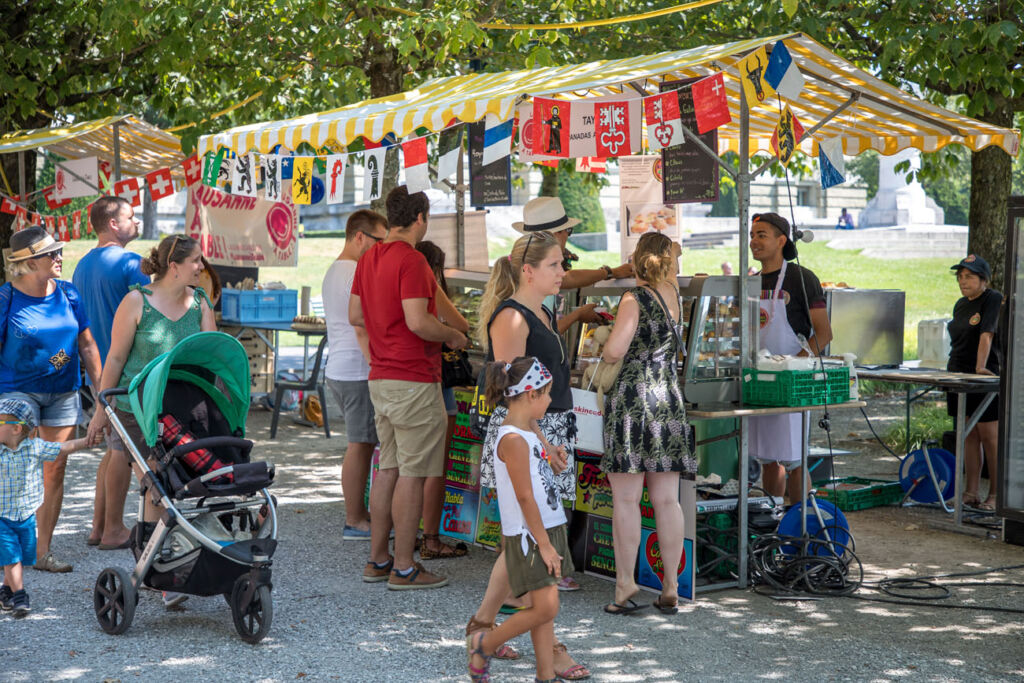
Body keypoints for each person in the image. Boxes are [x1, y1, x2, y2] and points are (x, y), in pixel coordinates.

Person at [468, 229, 590, 680]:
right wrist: (541, 442)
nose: (564, 272)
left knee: (525, 538)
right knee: (531, 538)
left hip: (549, 432)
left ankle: (484, 624)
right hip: (530, 437)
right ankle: (548, 644)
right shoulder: (513, 318)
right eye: (557, 264)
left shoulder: (541, 309)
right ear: (529, 270)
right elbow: (514, 397)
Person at [86, 234, 217, 608]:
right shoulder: (136, 302)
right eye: (195, 261)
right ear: (174, 266)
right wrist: (101, 410)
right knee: (158, 481)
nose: (201, 267)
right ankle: (164, 567)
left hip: (181, 406)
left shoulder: (201, 303)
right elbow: (114, 360)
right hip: (135, 406)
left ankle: (161, 558)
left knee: (170, 483)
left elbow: (213, 358)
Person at [349, 186, 467, 590]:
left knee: (388, 469)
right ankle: (404, 566)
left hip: (381, 376)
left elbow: (355, 314)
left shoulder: (368, 258)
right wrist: (452, 335)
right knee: (414, 475)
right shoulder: (413, 260)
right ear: (420, 218)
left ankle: (377, 558)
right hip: (413, 377)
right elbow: (418, 321)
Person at [600, 232, 695, 615]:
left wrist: (604, 344)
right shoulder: (675, 298)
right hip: (667, 399)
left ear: (637, 258)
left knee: (626, 498)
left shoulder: (633, 299)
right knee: (667, 499)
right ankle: (670, 585)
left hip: (633, 398)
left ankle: (625, 585)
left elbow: (615, 350)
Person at [0, 225, 103, 573]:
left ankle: (42, 552)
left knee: (54, 467)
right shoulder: (5, 299)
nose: (59, 257)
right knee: (16, 467)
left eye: (58, 251)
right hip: (16, 393)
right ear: (28, 263)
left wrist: (103, 394)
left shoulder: (69, 294)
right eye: (50, 253)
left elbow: (87, 345)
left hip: (63, 392)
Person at [466, 357, 573, 683]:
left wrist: (549, 453)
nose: (550, 401)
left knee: (544, 611)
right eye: (546, 395)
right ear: (530, 395)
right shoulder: (511, 440)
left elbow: (537, 476)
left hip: (546, 527)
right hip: (530, 537)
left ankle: (545, 675)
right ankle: (485, 643)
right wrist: (543, 545)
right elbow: (524, 497)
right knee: (546, 609)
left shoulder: (524, 431)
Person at [73, 196, 149, 551]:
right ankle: (115, 529)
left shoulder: (82, 265)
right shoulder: (131, 263)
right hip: (124, 372)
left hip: (97, 372)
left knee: (110, 449)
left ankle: (99, 525)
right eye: (131, 216)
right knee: (124, 450)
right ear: (113, 224)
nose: (137, 221)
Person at [747, 213, 833, 502]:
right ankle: (772, 519)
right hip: (760, 380)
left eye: (761, 235)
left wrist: (793, 364)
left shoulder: (801, 278)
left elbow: (823, 333)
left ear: (781, 240)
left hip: (791, 381)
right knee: (768, 457)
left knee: (794, 458)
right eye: (752, 235)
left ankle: (800, 521)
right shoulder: (751, 281)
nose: (754, 241)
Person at [322, 209, 388, 541]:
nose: (382, 247)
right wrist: (378, 365)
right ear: (359, 236)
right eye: (379, 240)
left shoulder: (337, 269)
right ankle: (355, 519)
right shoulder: (353, 271)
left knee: (361, 443)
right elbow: (361, 323)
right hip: (357, 369)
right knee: (360, 445)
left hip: (344, 367)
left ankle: (359, 515)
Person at [0, 398, 98, 617]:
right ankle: (20, 596)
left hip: (25, 515)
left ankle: (5, 591)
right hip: (2, 517)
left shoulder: (35, 448)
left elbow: (63, 447)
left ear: (16, 429)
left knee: (21, 557)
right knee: (12, 558)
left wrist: (86, 441)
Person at [415, 240, 471, 560]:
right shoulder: (430, 286)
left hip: (399, 381)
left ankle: (406, 532)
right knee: (436, 466)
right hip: (436, 380)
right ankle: (431, 539)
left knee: (407, 467)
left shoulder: (395, 282)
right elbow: (462, 325)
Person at [512, 196, 633, 335]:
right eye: (568, 230)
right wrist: (578, 315)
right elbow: (545, 334)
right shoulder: (534, 275)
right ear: (556, 234)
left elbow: (569, 278)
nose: (563, 273)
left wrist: (610, 272)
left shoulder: (525, 260)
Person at [947, 254, 1002, 511]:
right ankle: (971, 492)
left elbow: (986, 334)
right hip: (958, 374)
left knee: (990, 436)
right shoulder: (960, 304)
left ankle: (996, 494)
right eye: (960, 277)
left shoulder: (992, 298)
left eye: (969, 276)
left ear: (984, 279)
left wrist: (980, 367)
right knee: (968, 434)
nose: (963, 281)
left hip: (983, 376)